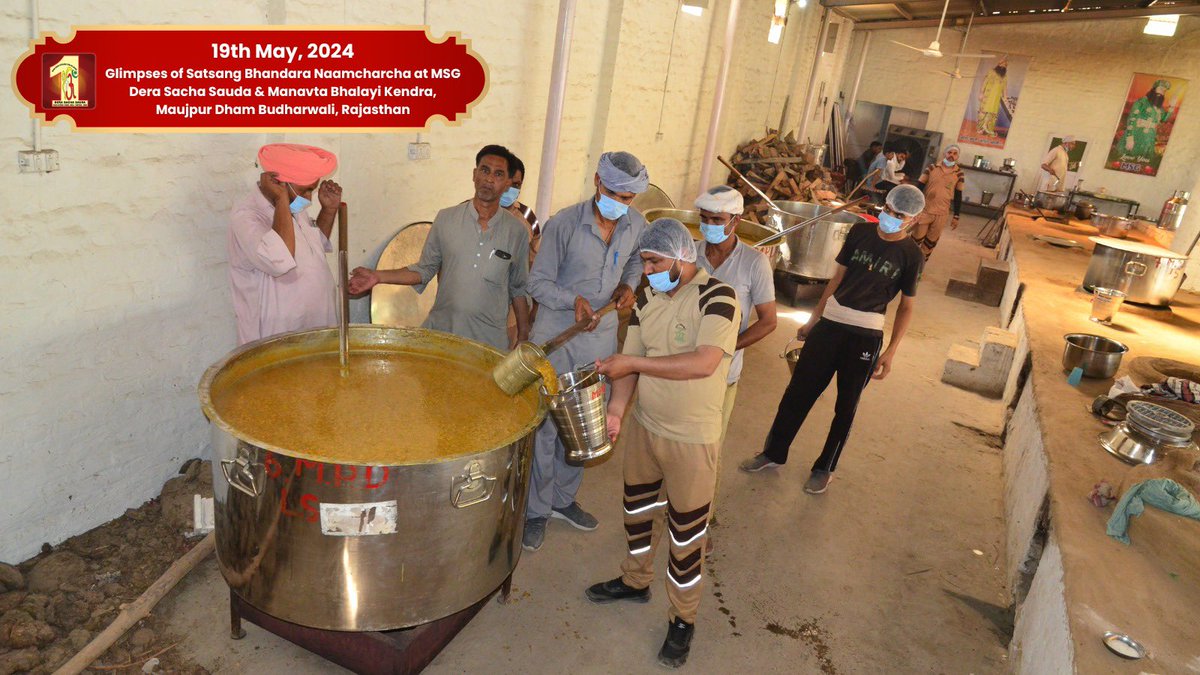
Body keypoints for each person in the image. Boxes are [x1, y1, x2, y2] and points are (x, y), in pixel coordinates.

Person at [586, 218, 740, 669]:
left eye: (654, 261)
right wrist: (617, 411)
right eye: (645, 261)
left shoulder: (719, 297)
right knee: (636, 511)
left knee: (686, 533)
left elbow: (703, 363)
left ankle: (682, 619)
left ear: (680, 257)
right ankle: (635, 581)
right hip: (646, 427)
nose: (648, 270)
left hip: (692, 438)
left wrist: (631, 360)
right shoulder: (650, 296)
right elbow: (629, 365)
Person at [739, 184, 926, 496]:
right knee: (797, 392)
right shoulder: (860, 234)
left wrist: (891, 351)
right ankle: (773, 453)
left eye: (900, 216)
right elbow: (836, 279)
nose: (891, 218)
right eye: (889, 211)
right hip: (830, 325)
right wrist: (814, 320)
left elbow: (906, 307)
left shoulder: (910, 255)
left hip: (866, 335)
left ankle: (825, 467)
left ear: (911, 220)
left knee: (846, 406)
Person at [522, 151, 650, 552]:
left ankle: (563, 499)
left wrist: (628, 286)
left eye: (628, 198)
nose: (620, 204)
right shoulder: (563, 224)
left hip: (600, 337)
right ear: (597, 181)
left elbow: (634, 263)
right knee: (546, 426)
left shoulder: (637, 225)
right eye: (614, 193)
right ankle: (537, 510)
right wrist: (572, 299)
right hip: (559, 336)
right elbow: (537, 283)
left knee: (586, 426)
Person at [348, 145, 530, 350]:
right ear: (474, 174)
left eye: (498, 174)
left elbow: (519, 288)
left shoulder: (517, 232)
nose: (489, 179)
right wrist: (378, 276)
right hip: (444, 333)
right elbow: (424, 270)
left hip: (488, 341)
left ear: (507, 183)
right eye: (484, 170)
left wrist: (523, 335)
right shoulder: (446, 219)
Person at [228, 143, 343, 345]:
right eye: (305, 190)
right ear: (280, 183)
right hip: (278, 329)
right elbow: (279, 260)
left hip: (314, 321)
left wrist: (329, 210)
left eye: (312, 190)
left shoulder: (293, 206)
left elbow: (314, 249)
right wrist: (281, 198)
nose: (308, 198)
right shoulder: (247, 215)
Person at [502, 153, 541, 348]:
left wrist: (534, 307)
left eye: (516, 185)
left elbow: (535, 266)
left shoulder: (527, 217)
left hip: (513, 312)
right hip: (474, 311)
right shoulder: (466, 214)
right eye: (507, 183)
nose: (510, 189)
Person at [912, 144, 965, 259]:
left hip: (942, 213)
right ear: (944, 154)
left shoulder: (959, 174)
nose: (952, 155)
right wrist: (913, 206)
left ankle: (920, 268)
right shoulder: (931, 168)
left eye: (955, 153)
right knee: (915, 241)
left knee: (930, 244)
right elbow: (919, 187)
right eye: (949, 152)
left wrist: (956, 216)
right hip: (925, 210)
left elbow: (958, 195)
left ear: (958, 157)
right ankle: (909, 265)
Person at [1117, 80, 1171, 161]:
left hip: (1149, 140)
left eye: (1164, 91)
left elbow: (1163, 119)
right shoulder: (1142, 102)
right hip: (1136, 137)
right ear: (1154, 89)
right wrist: (1129, 138)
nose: (1161, 92)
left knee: (1144, 163)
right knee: (1128, 159)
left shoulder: (1159, 108)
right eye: (1160, 89)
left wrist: (1171, 108)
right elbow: (1132, 119)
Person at [978, 57, 1008, 138]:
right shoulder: (991, 72)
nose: (1003, 66)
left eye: (1005, 65)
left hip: (996, 99)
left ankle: (987, 129)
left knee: (992, 113)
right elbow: (985, 82)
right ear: (998, 64)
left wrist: (1005, 97)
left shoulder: (1005, 76)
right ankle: (981, 128)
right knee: (984, 112)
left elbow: (1004, 88)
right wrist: (981, 93)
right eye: (1002, 64)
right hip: (988, 96)